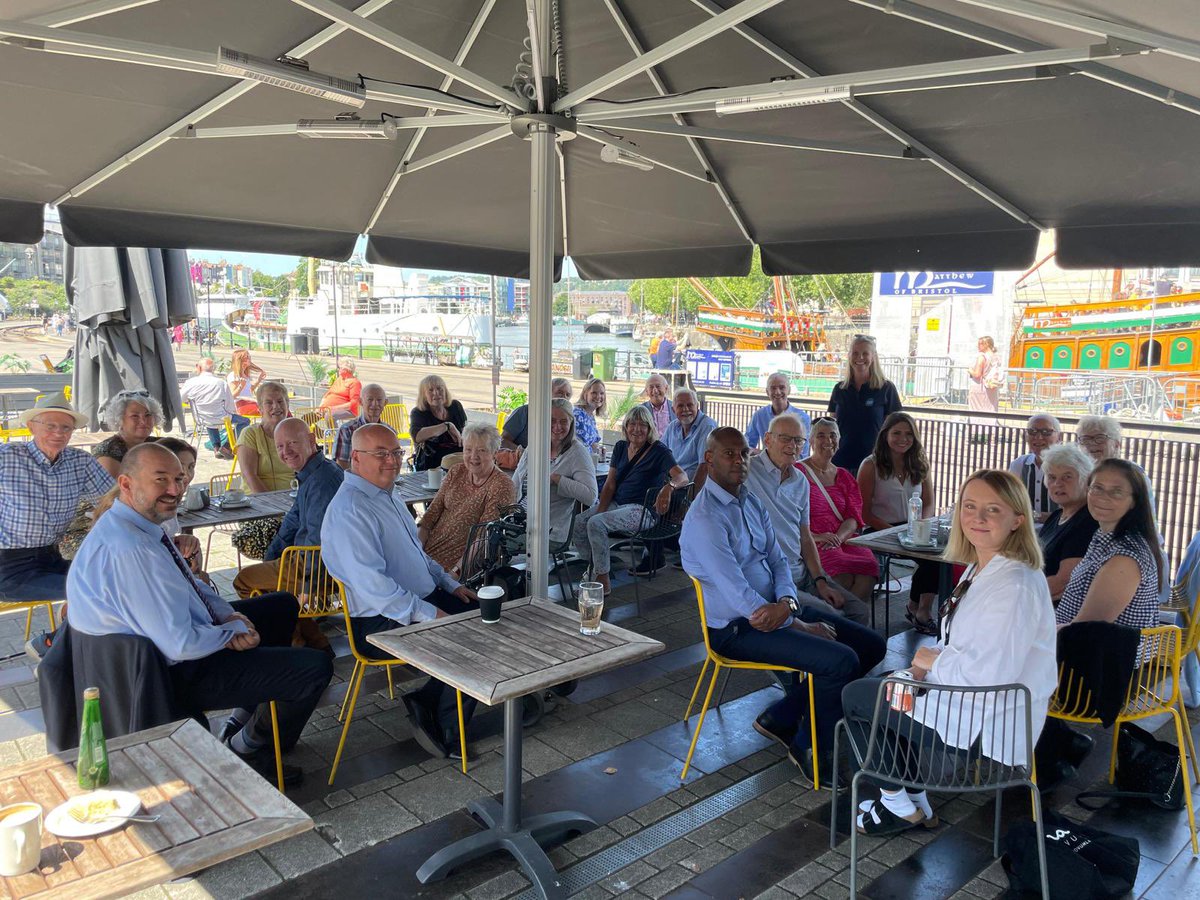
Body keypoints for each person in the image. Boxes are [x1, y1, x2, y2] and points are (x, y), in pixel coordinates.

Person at [66, 443, 333, 785]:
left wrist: (228, 617)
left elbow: (192, 585)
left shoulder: (141, 527)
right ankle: (251, 747)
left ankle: (244, 717)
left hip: (171, 645)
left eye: (179, 478)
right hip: (160, 675)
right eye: (160, 479)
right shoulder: (130, 549)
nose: (175, 490)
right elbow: (180, 644)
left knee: (282, 606)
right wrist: (228, 634)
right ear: (127, 484)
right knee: (314, 667)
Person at [841, 469, 1056, 835]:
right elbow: (958, 641)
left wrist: (929, 660)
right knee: (887, 687)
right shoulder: (981, 566)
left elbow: (991, 675)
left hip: (988, 717)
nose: (978, 517)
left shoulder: (1015, 586)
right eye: (969, 506)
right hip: (964, 695)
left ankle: (896, 803)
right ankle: (915, 799)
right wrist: (919, 672)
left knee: (857, 698)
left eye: (993, 510)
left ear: (1017, 520)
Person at [682, 427, 886, 785]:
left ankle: (783, 715)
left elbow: (777, 561)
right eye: (729, 454)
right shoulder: (705, 519)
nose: (740, 460)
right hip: (738, 629)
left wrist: (789, 603)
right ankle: (811, 749)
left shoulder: (750, 500)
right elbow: (740, 598)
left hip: (778, 608)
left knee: (871, 645)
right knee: (840, 661)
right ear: (709, 459)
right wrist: (799, 623)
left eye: (744, 453)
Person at [321, 424, 480, 758]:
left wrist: (451, 584)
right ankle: (443, 723)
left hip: (414, 601)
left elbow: (417, 556)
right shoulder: (351, 509)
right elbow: (376, 589)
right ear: (355, 458)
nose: (392, 461)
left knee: (485, 621)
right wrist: (431, 614)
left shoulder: (386, 493)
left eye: (396, 452)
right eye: (381, 454)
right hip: (379, 622)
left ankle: (429, 699)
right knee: (467, 640)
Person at [745, 415, 872, 625]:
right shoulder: (748, 472)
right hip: (773, 580)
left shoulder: (800, 481)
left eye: (798, 441)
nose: (792, 446)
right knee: (837, 619)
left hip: (802, 572)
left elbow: (805, 537)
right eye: (785, 438)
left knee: (858, 612)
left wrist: (820, 581)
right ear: (767, 440)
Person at [231, 419, 342, 653]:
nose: (286, 452)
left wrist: (309, 586)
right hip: (305, 561)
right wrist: (271, 557)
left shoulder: (322, 481)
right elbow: (292, 521)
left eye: (292, 443)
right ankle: (314, 640)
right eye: (280, 446)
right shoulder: (312, 473)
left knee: (244, 580)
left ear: (311, 440)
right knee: (274, 588)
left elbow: (318, 540)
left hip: (318, 568)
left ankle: (295, 644)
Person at [0, 393, 113, 607]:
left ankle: (62, 639)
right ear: (32, 427)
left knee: (115, 579)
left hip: (51, 558)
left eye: (66, 428)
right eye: (50, 426)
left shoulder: (79, 461)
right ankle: (53, 641)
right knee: (94, 591)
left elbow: (113, 501)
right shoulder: (7, 456)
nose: (58, 433)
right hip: (9, 568)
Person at [573, 405, 688, 596]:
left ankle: (602, 580)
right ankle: (595, 568)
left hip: (642, 510)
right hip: (617, 504)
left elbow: (682, 476)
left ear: (650, 428)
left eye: (642, 424)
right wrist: (601, 509)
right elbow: (610, 484)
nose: (637, 429)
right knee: (580, 522)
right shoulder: (620, 447)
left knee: (595, 524)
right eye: (632, 424)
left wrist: (669, 488)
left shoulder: (659, 450)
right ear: (625, 427)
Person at [1055, 459, 1163, 654]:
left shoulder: (1125, 558)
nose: (1103, 497)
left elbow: (1084, 630)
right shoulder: (1104, 536)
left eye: (1117, 492)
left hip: (1095, 668)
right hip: (1076, 651)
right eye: (1097, 488)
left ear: (1134, 502)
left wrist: (1033, 634)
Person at [858, 412, 939, 634]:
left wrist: (922, 525)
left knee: (937, 558)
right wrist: (900, 531)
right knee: (926, 557)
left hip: (913, 527)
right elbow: (864, 512)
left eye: (908, 434)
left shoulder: (920, 463)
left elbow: (930, 502)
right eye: (896, 433)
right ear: (885, 435)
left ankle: (920, 608)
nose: (903, 439)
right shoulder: (870, 465)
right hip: (880, 527)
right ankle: (916, 609)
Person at [798, 418, 878, 603]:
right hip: (813, 539)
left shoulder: (844, 476)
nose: (828, 441)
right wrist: (817, 537)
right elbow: (787, 517)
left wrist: (839, 538)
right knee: (842, 574)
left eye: (833, 435)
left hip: (843, 538)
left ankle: (850, 621)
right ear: (810, 441)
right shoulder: (798, 472)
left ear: (839, 440)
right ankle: (842, 622)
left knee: (869, 567)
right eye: (821, 436)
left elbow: (853, 516)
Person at [418, 424, 515, 574]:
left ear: (495, 453)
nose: (473, 457)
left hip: (461, 564)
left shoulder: (501, 485)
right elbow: (429, 517)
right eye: (468, 449)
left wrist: (455, 574)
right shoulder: (456, 471)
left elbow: (484, 538)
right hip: (428, 555)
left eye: (482, 450)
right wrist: (416, 553)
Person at [512, 398, 597, 544]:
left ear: (571, 423)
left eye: (563, 421)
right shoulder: (535, 446)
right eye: (552, 420)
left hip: (549, 530)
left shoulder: (577, 452)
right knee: (483, 530)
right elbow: (515, 484)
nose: (557, 427)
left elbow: (590, 496)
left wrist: (557, 480)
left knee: (491, 540)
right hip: (520, 520)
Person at [827, 334, 902, 471]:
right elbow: (831, 428)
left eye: (865, 353)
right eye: (855, 353)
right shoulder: (839, 389)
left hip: (874, 464)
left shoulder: (886, 388)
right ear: (849, 356)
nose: (860, 358)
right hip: (840, 462)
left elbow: (897, 429)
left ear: (873, 357)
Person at [1037, 444, 1097, 602]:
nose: (1058, 483)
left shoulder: (1088, 522)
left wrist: (1018, 593)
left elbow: (1063, 583)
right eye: (1052, 477)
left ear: (1085, 479)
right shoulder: (1056, 516)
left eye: (1067, 477)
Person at [180, 357, 248, 460]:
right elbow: (229, 405)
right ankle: (227, 445)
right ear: (213, 369)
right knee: (245, 421)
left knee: (209, 417)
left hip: (201, 417)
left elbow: (181, 398)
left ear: (198, 368)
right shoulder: (221, 383)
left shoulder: (191, 382)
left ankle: (216, 448)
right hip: (220, 417)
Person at [238, 382, 294, 493]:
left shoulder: (295, 431)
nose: (276, 406)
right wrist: (272, 504)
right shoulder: (250, 434)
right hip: (259, 501)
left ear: (287, 405)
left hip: (293, 498)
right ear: (260, 408)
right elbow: (250, 476)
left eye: (280, 401)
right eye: (269, 403)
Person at [92, 390, 162, 477]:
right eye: (135, 416)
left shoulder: (159, 445)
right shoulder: (108, 454)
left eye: (148, 415)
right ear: (119, 420)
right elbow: (113, 490)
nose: (143, 421)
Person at [1008, 414, 1061, 521]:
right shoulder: (1019, 465)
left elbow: (1074, 512)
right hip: (1023, 530)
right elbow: (1009, 501)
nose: (1038, 437)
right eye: (1032, 431)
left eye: (1046, 432)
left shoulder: (1069, 468)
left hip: (1058, 532)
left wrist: (1037, 516)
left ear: (1059, 437)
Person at [745, 373, 812, 458]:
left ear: (789, 390)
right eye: (773, 388)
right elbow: (747, 445)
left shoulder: (803, 418)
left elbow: (803, 455)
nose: (777, 392)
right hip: (766, 468)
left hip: (792, 467)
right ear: (767, 392)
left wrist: (763, 453)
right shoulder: (759, 415)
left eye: (782, 387)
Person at [409, 374, 467, 471]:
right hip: (432, 465)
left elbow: (465, 430)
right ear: (424, 395)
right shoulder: (419, 412)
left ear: (445, 391)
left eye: (440, 389)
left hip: (459, 461)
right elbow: (417, 436)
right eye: (430, 390)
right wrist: (447, 426)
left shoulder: (455, 406)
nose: (436, 393)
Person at [661, 388, 717, 486]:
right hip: (672, 484)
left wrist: (690, 496)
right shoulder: (673, 426)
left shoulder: (707, 426)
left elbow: (704, 466)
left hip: (691, 488)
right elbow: (660, 454)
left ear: (697, 406)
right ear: (673, 410)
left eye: (690, 405)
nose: (686, 409)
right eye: (680, 406)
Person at [501, 378, 572, 451]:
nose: (564, 397)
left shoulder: (567, 419)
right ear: (547, 393)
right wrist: (526, 455)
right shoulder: (525, 412)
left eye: (568, 395)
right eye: (559, 393)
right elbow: (503, 441)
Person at [332, 383, 390, 470]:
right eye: (370, 399)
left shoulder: (389, 432)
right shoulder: (347, 430)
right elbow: (342, 468)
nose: (375, 404)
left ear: (385, 403)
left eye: (379, 400)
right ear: (360, 402)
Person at [967, 336, 1004, 425]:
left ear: (987, 344)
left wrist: (969, 370)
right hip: (992, 386)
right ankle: (989, 430)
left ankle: (977, 432)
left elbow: (977, 374)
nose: (978, 346)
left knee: (977, 410)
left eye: (980, 344)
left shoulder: (982, 357)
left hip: (980, 386)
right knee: (991, 409)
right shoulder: (996, 357)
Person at [227, 348, 266, 416]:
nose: (249, 358)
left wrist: (258, 380)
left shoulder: (245, 374)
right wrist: (240, 386)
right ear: (241, 360)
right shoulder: (234, 375)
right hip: (241, 405)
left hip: (248, 402)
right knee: (269, 410)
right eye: (247, 357)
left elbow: (249, 390)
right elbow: (232, 396)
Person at [573, 378, 607, 454]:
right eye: (594, 393)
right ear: (585, 394)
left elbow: (593, 443)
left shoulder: (590, 415)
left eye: (602, 393)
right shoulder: (578, 415)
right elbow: (580, 448)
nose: (598, 396)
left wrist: (599, 449)